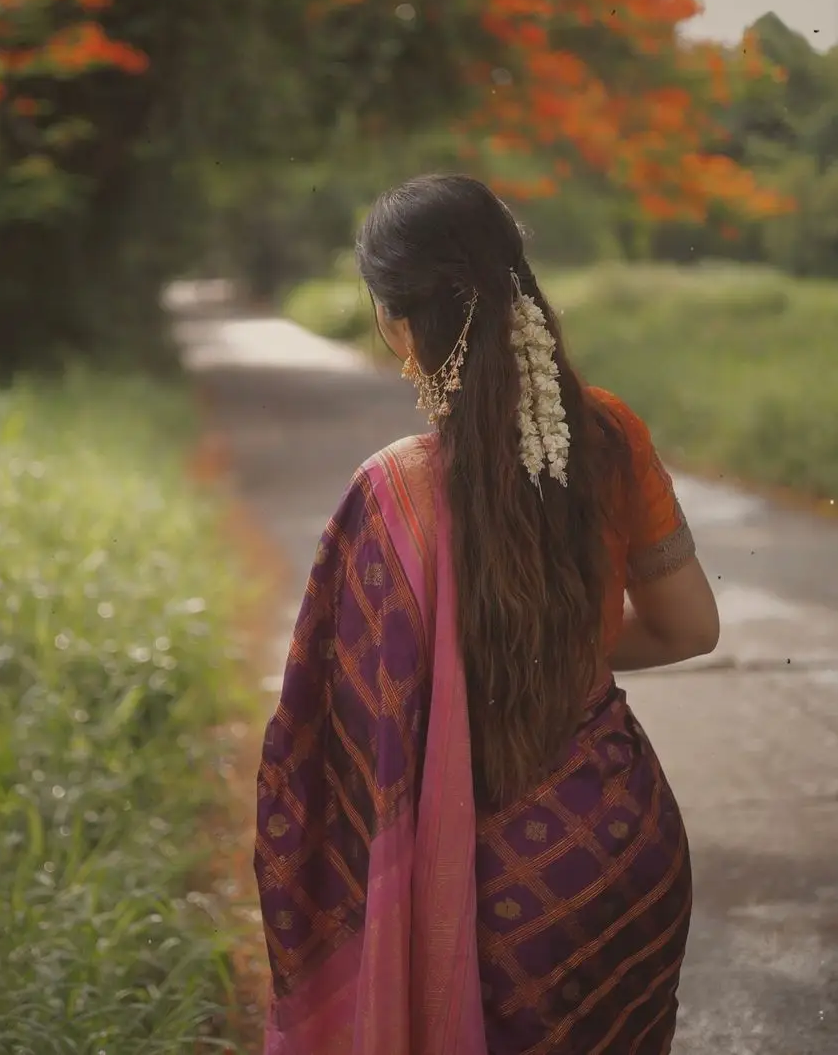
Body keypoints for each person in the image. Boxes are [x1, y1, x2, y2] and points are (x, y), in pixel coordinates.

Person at [254, 174, 719, 1055]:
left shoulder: (389, 492)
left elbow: (327, 743)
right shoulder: (611, 434)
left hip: (482, 891)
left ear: (397, 323)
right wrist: (562, 637)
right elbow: (691, 628)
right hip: (625, 850)